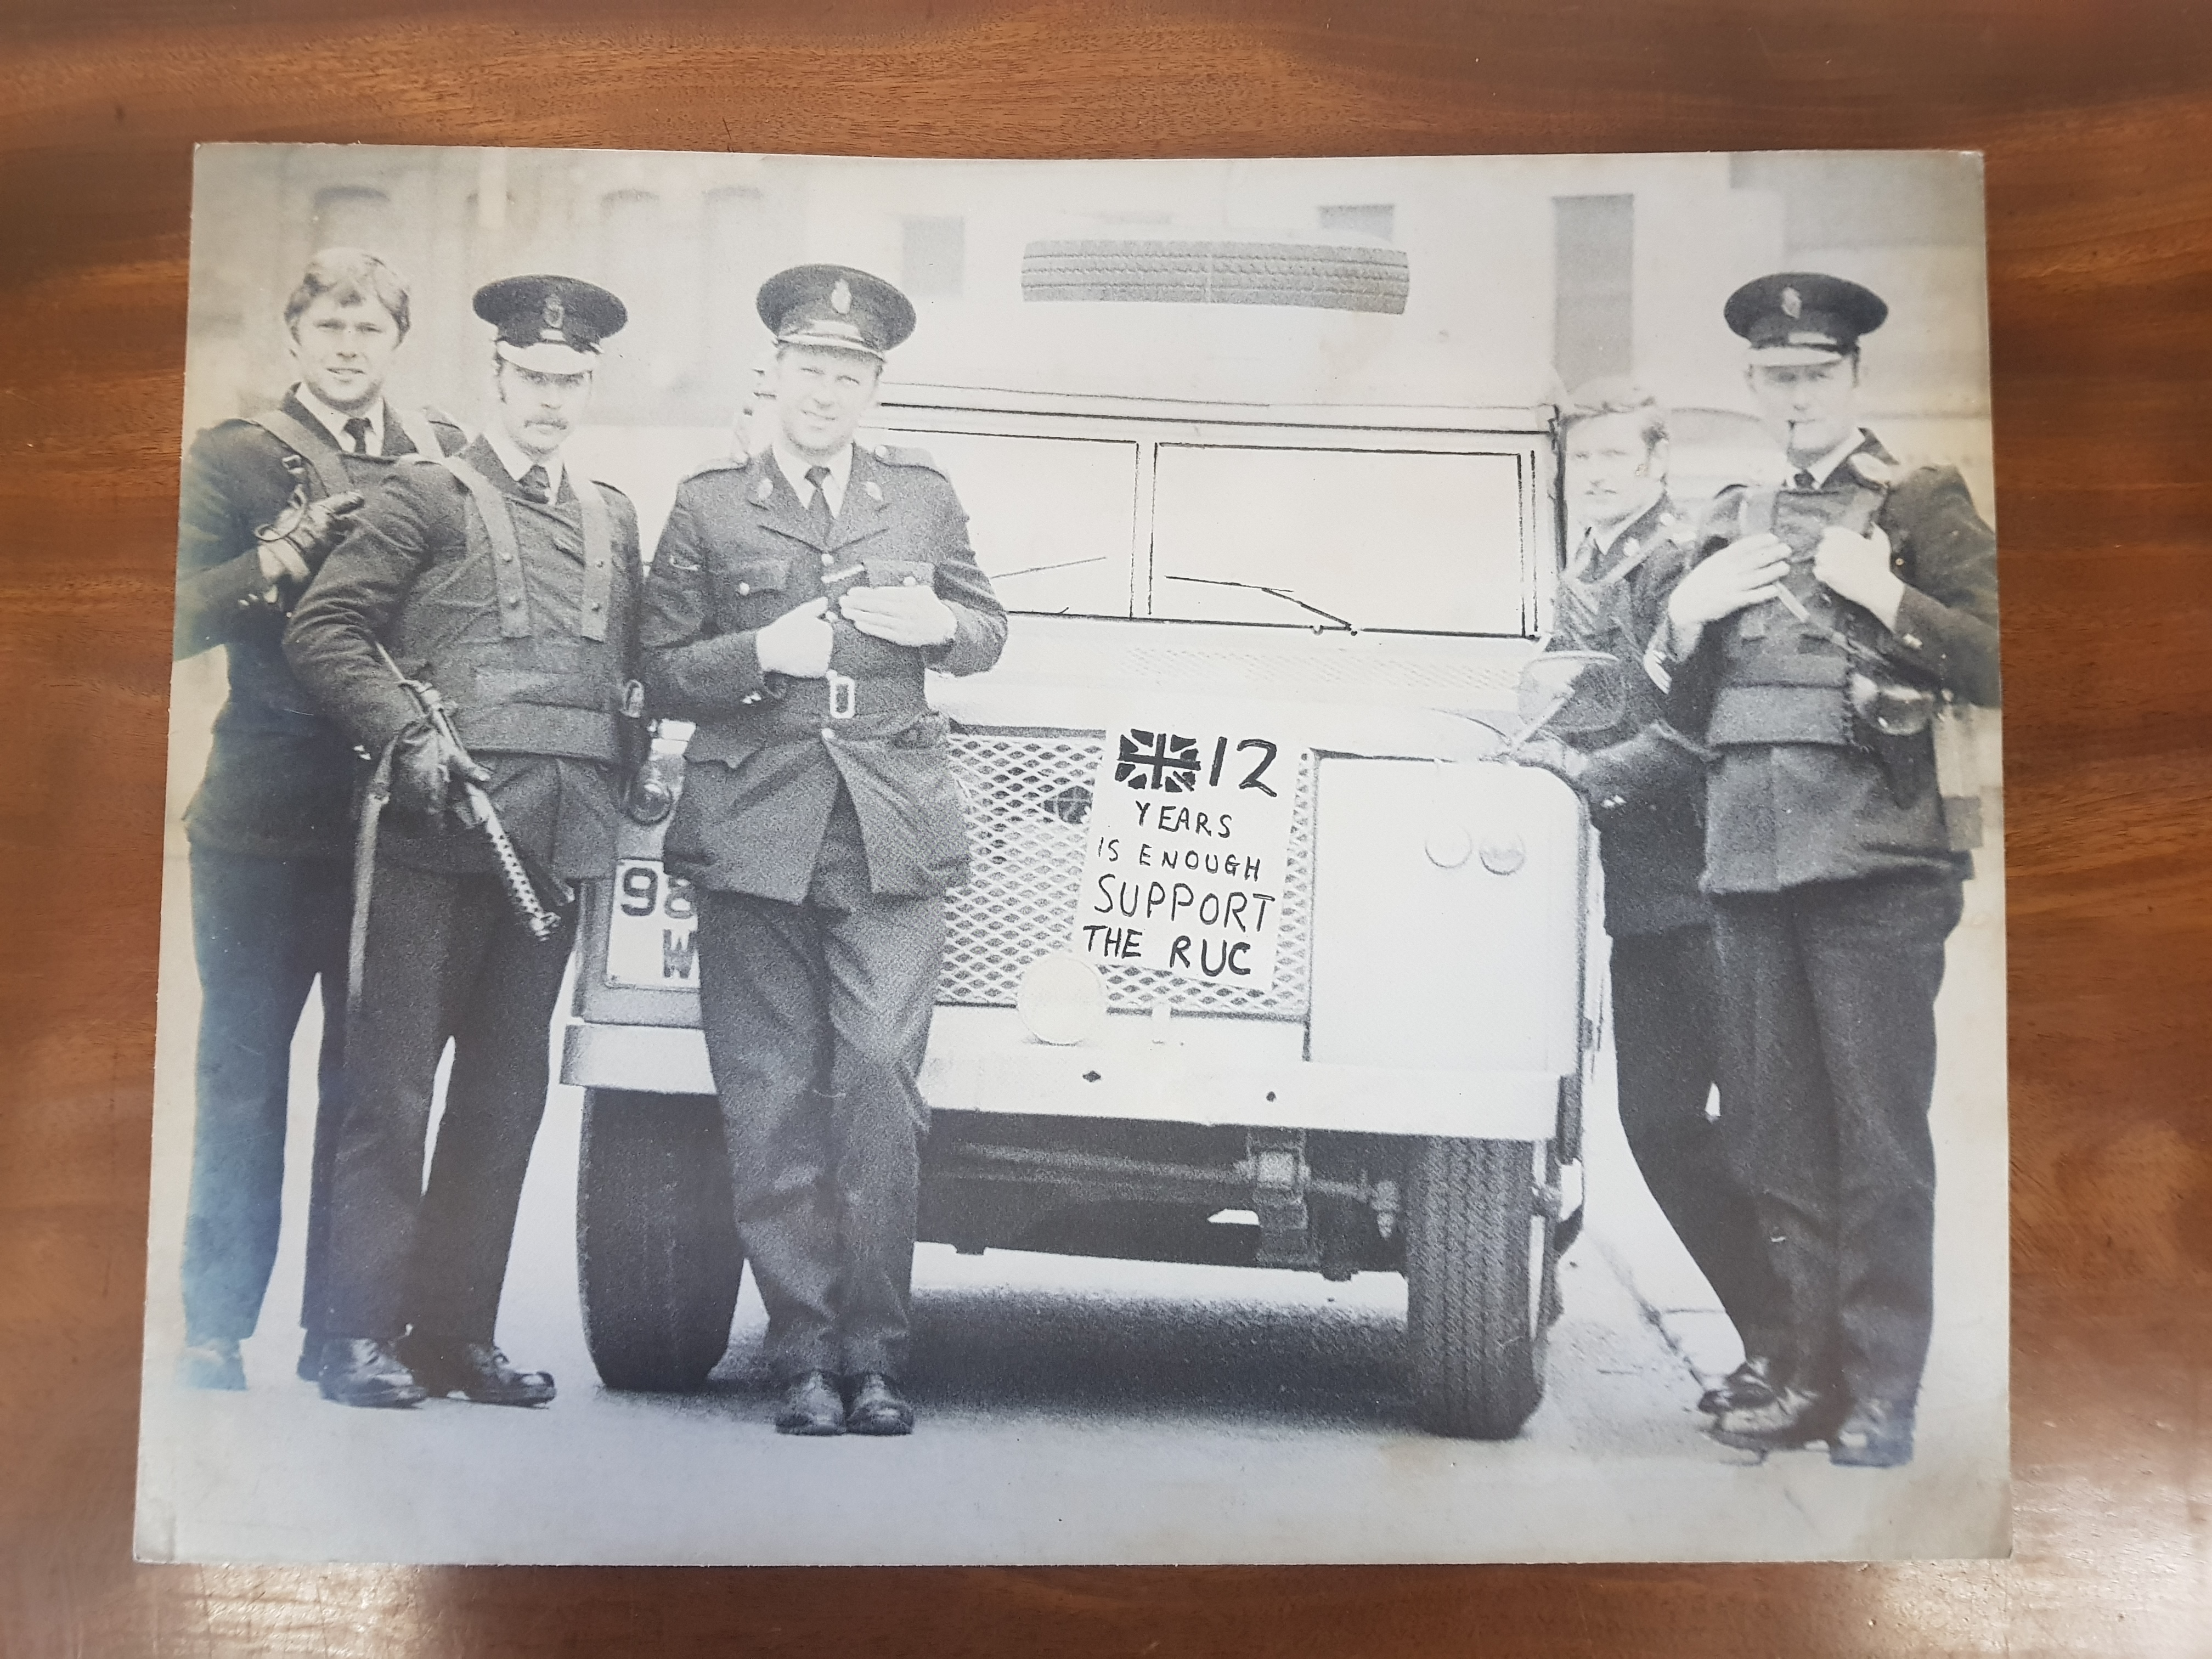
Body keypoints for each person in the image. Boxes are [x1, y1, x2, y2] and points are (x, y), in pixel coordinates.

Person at [641, 264, 1006, 1437]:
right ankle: (801, 1355)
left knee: (879, 1091)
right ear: (776, 375)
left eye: (851, 373)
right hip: (755, 832)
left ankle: (877, 1354)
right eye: (811, 368)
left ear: (874, 385)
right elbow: (655, 670)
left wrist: (946, 628)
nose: (828, 390)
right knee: (769, 1098)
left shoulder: (922, 496)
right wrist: (762, 652)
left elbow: (989, 628)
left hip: (888, 834)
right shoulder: (707, 505)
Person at [1650, 273, 2000, 1467]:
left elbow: (2011, 656)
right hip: (1748, 859)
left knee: (1878, 1144)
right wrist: (1684, 622)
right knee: (1769, 1137)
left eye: (1815, 376)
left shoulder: (1918, 497)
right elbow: (1699, 714)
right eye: (1775, 378)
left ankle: (1880, 1394)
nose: (1795, 398)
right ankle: (1803, 1374)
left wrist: (1885, 592)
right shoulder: (1730, 511)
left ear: (1852, 380)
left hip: (1876, 861)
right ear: (1752, 386)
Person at [285, 274, 644, 1409]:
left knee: (504, 1098)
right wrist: (409, 738)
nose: (550, 397)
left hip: (553, 844)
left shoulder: (613, 514)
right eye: (533, 377)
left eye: (571, 380)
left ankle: (452, 1334)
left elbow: (621, 679)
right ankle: (347, 1335)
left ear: (593, 384)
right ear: (496, 374)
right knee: (389, 1092)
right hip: (433, 835)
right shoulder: (423, 495)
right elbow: (325, 630)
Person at [172, 248, 465, 1391]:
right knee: (241, 1076)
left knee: (369, 1081)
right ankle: (214, 1327)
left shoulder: (438, 464)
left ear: (398, 342)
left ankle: (343, 1332)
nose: (349, 348)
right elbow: (167, 615)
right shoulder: (234, 458)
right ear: (295, 337)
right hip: (260, 814)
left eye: (371, 329)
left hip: (388, 821)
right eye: (329, 326)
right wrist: (279, 551)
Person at [1513, 380, 1787, 1420]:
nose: (1600, 477)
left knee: (1751, 1129)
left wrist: (1579, 775)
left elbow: (1693, 730)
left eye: (1619, 460)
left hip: (1713, 886)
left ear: (1657, 464)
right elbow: (1575, 688)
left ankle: (1798, 1351)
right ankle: (1778, 1336)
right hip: (1647, 895)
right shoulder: (1587, 562)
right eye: (1586, 463)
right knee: (1664, 1124)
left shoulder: (1683, 561)